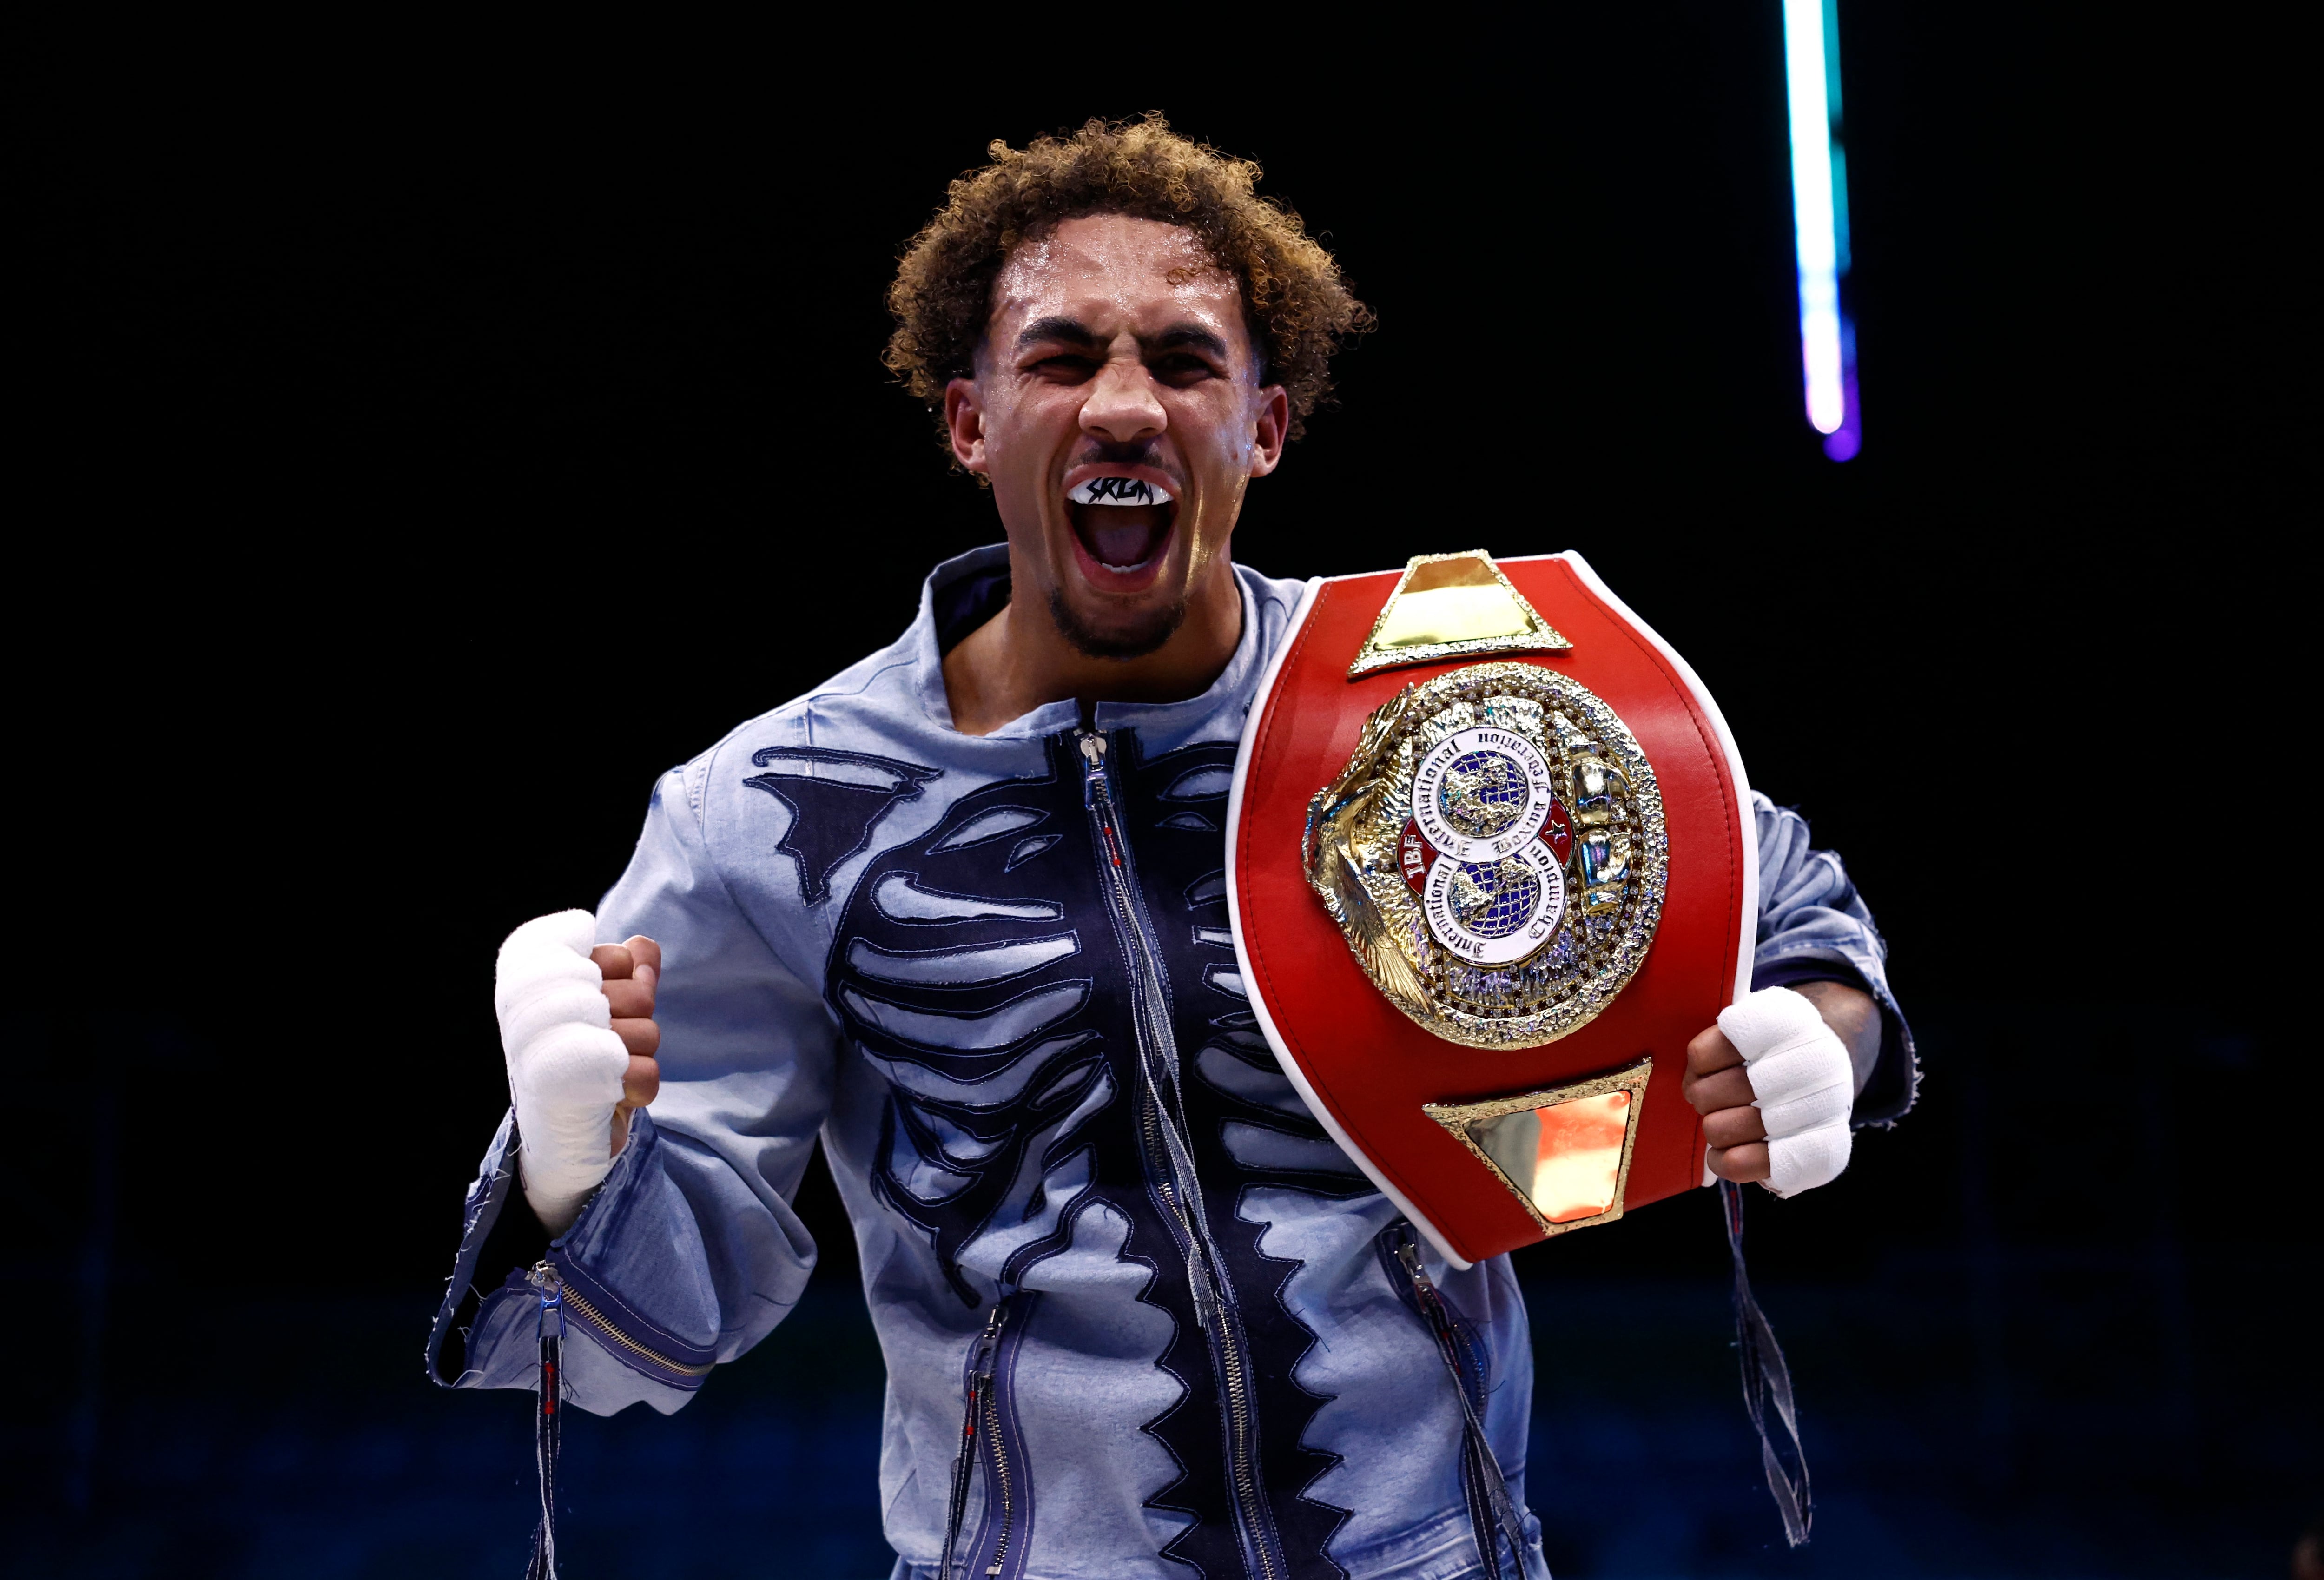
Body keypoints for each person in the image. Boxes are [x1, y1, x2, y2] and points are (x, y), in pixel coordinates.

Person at [429, 115, 1916, 1580]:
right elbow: (643, 1347)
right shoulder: (761, 807)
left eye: (1187, 359)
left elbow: (1787, 904)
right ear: (972, 423)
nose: (1126, 405)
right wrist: (574, 1173)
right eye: (1064, 358)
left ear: (1263, 430)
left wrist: (1818, 1034)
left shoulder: (1439, 695)